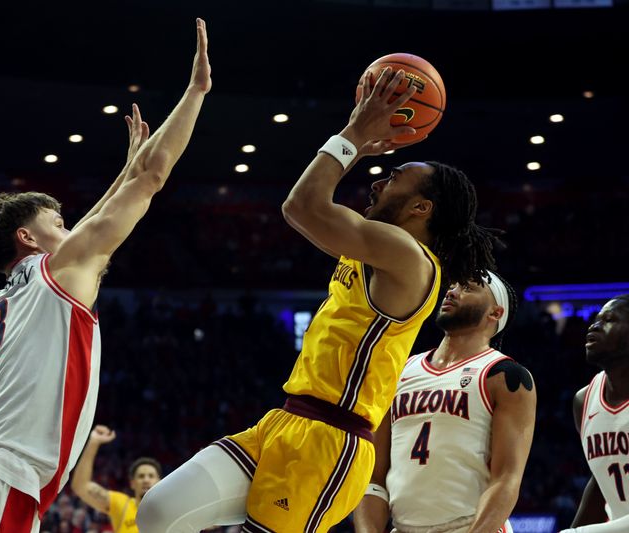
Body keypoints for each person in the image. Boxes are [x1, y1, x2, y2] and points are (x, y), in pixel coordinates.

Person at [137, 68, 500, 532]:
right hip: (284, 422)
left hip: (331, 442)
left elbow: (301, 207)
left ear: (421, 208)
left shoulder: (409, 257)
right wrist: (355, 144)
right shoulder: (376, 245)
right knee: (159, 510)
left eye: (393, 178)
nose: (378, 183)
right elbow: (303, 209)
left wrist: (353, 133)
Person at [0, 18, 212, 533]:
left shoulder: (14, 290)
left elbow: (101, 218)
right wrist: (194, 93)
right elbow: (152, 179)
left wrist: (125, 174)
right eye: (57, 221)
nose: (71, 226)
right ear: (28, 238)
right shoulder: (57, 274)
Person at [353, 271, 535, 533]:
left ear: (495, 313)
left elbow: (506, 479)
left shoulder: (504, 376)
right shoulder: (400, 371)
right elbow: (373, 478)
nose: (452, 291)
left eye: (468, 288)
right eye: (453, 286)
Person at [562, 295, 629, 533]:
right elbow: (601, 479)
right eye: (595, 319)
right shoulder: (584, 400)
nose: (594, 325)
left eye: (609, 319)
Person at [70, 425, 161, 533]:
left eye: (151, 476)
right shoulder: (122, 504)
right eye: (141, 476)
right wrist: (94, 442)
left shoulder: (168, 508)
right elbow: (81, 486)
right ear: (132, 483)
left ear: (159, 481)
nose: (146, 480)